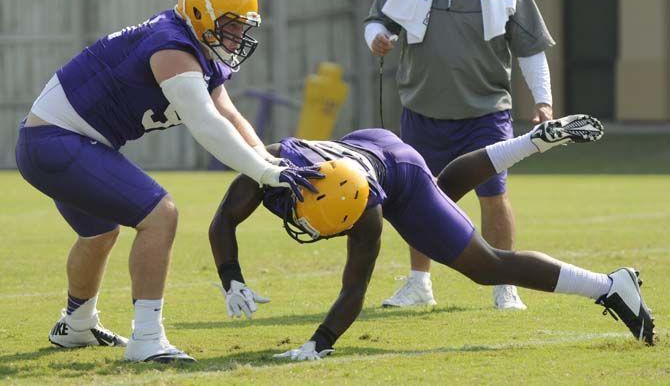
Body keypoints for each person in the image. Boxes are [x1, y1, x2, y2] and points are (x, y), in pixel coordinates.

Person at [15, 0, 321, 363]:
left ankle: (76, 324)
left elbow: (227, 114)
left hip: (57, 142)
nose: (235, 35)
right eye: (228, 24)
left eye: (240, 26)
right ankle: (147, 338)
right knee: (160, 214)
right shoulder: (171, 47)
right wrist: (264, 173)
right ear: (199, 14)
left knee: (100, 233)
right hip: (56, 141)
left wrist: (268, 159)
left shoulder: (196, 46)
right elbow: (205, 124)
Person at [208, 114, 655, 361]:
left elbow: (354, 290)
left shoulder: (367, 216)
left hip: (395, 174)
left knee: (486, 266)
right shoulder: (267, 166)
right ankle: (532, 141)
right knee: (441, 195)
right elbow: (221, 222)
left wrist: (318, 344)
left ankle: (609, 286)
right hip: (369, 143)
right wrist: (232, 277)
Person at [365, 0, 555, 310]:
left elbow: (530, 49)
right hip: (421, 109)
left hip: (485, 112)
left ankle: (505, 284)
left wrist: (543, 102)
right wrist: (377, 38)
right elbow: (376, 20)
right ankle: (419, 284)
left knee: (494, 194)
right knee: (417, 198)